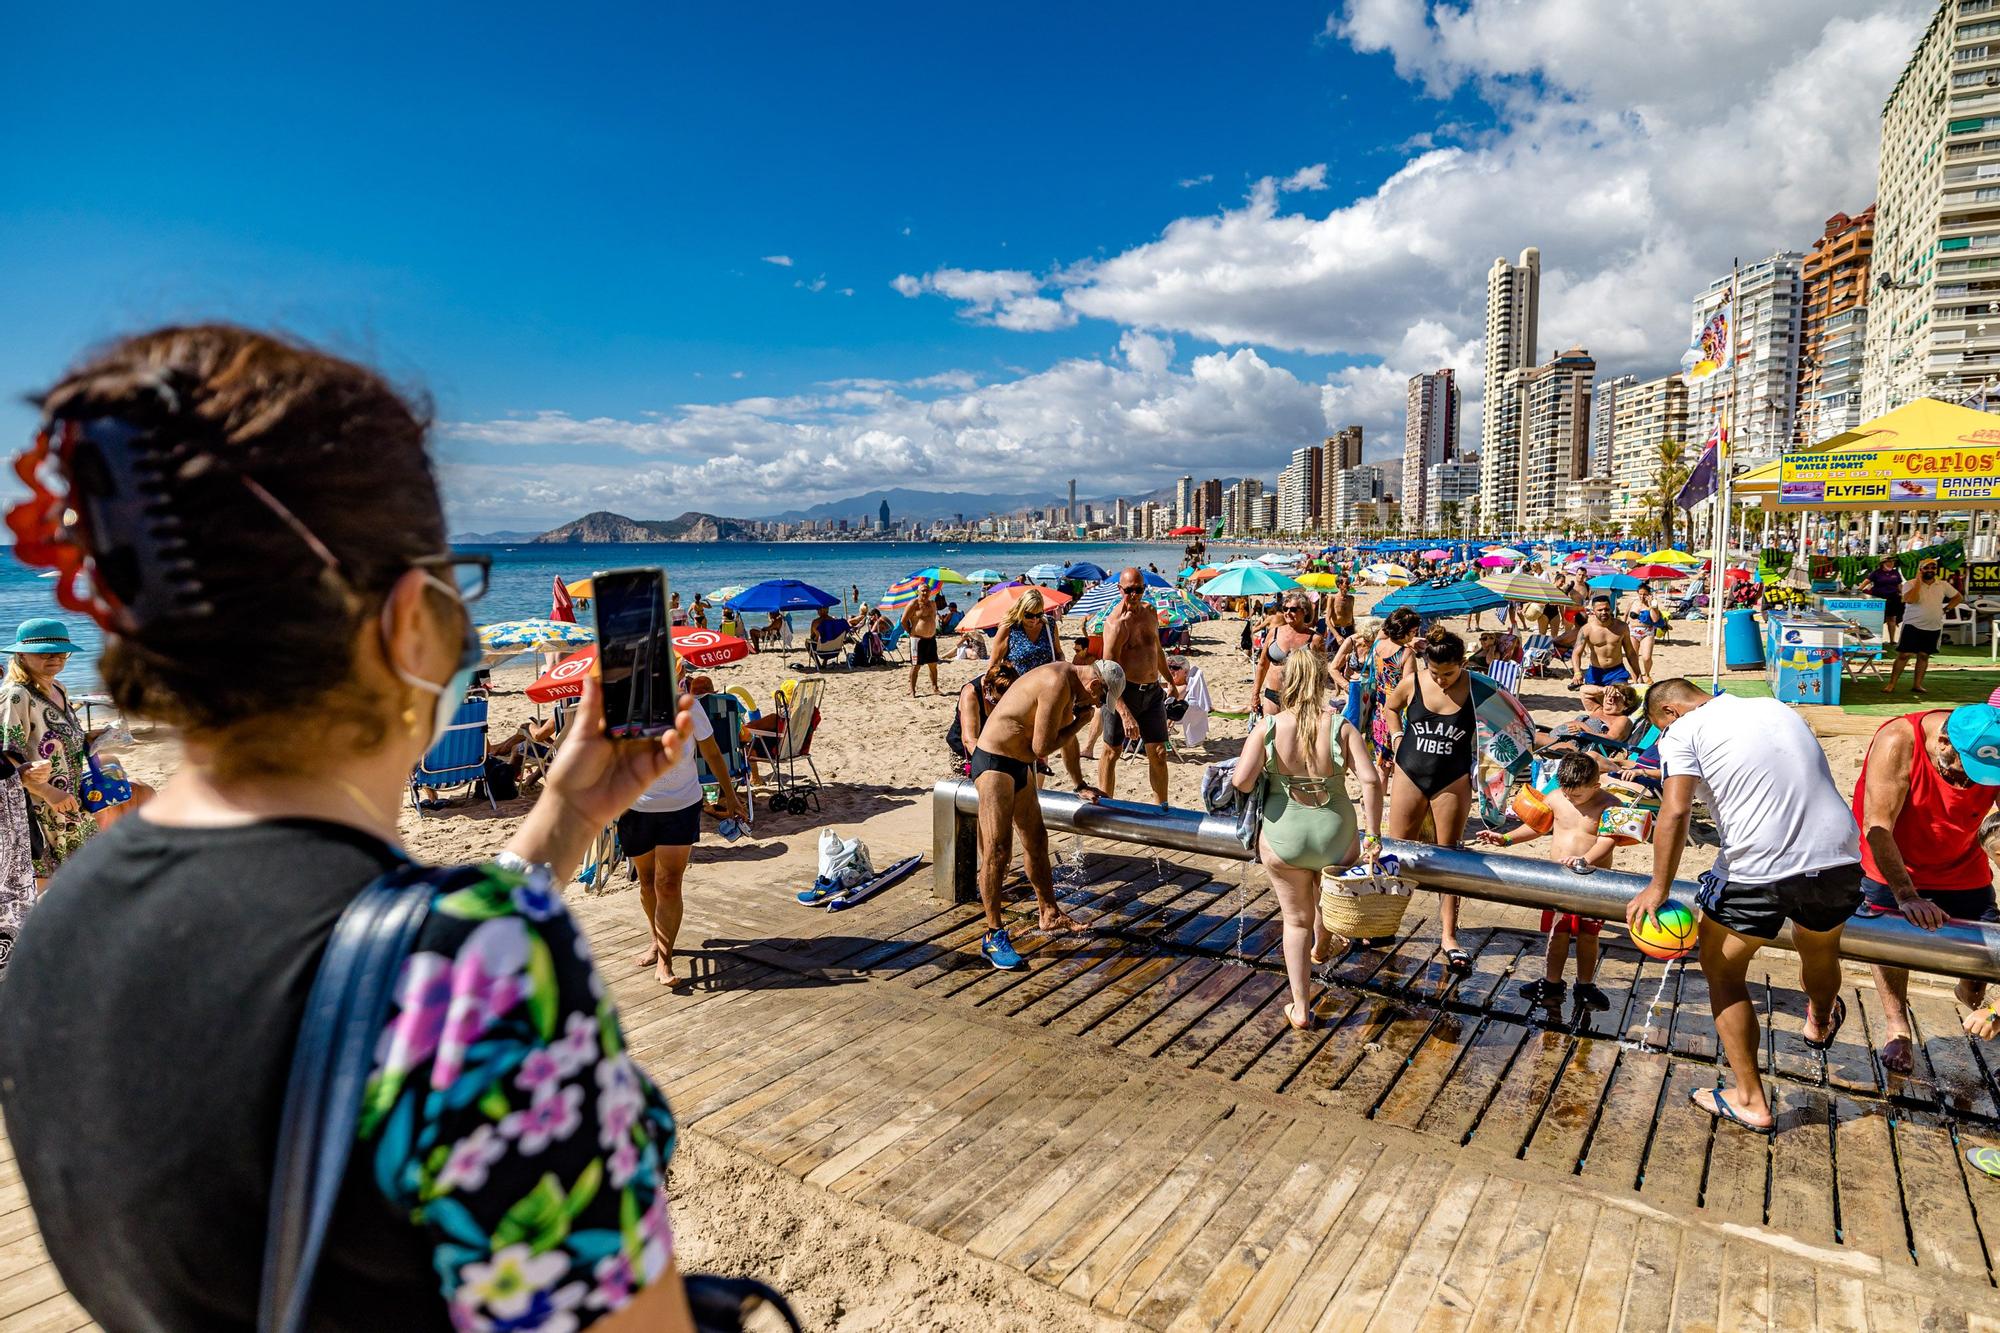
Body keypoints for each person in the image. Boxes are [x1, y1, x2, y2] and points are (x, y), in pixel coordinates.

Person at [0, 325, 701, 1329]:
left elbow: (355, 975)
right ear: (412, 619)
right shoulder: (475, 972)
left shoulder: (65, 927)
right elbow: (418, 991)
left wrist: (568, 811)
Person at [1627, 679, 1862, 1134]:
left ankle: (1750, 1100)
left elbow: (1674, 811)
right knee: (1819, 949)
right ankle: (1818, 1020)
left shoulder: (1681, 731)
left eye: (1658, 726)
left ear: (1670, 712)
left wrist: (1658, 887)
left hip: (1758, 869)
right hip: (1838, 856)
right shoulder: (1776, 707)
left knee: (1722, 971)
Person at [1231, 646, 1382, 1029]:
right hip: (1336, 832)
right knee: (1326, 902)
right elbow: (1370, 780)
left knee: (1294, 921)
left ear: (1285, 683)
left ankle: (1300, 1007)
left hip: (1286, 836)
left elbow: (1241, 781)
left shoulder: (1268, 728)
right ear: (1318, 682)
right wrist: (1375, 836)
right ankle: (1322, 945)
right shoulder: (1341, 727)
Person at [1850, 703, 2000, 1073]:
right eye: (1968, 773)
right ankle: (1897, 1026)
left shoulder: (1993, 743)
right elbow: (1877, 824)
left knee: (1987, 950)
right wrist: (1906, 894)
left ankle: (1971, 992)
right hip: (1894, 863)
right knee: (1889, 942)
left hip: (1962, 863)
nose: (1973, 785)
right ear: (1944, 743)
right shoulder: (1899, 741)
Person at [967, 659, 1120, 969]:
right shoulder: (1056, 682)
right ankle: (993, 935)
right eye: (1102, 699)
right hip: (995, 761)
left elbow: (1064, 742)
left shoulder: (1069, 684)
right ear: (1095, 686)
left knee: (1036, 840)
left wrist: (1080, 784)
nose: (1096, 705)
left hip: (1017, 764)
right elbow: (1042, 745)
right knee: (998, 850)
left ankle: (1048, 912)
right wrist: (1079, 722)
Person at [623, 686, 745, 990]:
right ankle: (656, 940)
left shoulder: (689, 706)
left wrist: (730, 795)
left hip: (681, 804)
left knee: (668, 882)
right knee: (647, 880)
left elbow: (712, 750)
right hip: (635, 806)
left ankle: (665, 960)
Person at [1477, 752, 1618, 1010]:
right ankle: (1552, 982)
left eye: (1576, 795)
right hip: (1559, 880)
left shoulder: (1609, 804)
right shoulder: (1556, 798)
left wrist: (1584, 859)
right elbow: (1538, 827)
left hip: (1594, 880)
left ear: (1595, 786)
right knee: (1557, 932)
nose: (1570, 798)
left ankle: (1585, 985)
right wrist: (1507, 839)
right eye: (1566, 792)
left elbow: (1608, 840)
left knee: (1589, 936)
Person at [1384, 627, 1479, 969]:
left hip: (1452, 778)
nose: (1440, 680)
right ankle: (1384, 921)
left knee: (1448, 858)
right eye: (1435, 673)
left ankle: (1449, 936)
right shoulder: (1413, 682)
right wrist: (1396, 737)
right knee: (1396, 850)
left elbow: (1509, 723)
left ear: (1463, 663)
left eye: (1449, 673)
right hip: (1410, 770)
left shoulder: (1477, 687)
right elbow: (1390, 706)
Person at [0, 619, 101, 882]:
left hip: (69, 799)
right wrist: (47, 791)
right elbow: (7, 754)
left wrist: (89, 737)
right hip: (40, 805)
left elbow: (56, 734)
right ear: (21, 655)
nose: (55, 658)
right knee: (50, 882)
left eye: (60, 651)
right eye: (44, 652)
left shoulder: (58, 688)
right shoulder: (16, 695)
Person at [1100, 568, 1174, 806]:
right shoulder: (1115, 624)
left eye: (1138, 590)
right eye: (1129, 590)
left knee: (1159, 753)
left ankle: (1161, 810)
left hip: (1152, 692)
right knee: (1112, 752)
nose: (1134, 595)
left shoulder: (1151, 612)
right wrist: (1124, 712)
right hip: (1123, 692)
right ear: (1119, 589)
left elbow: (1157, 650)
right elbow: (1106, 673)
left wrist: (1170, 681)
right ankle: (1104, 806)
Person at [1884, 558, 1963, 698]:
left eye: (1933, 568)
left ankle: (1917, 684)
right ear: (1920, 570)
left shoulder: (1942, 585)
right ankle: (1892, 684)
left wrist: (1947, 609)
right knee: (1904, 655)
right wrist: (1919, 583)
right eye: (1926, 568)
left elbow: (1958, 597)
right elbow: (1910, 599)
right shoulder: (1910, 584)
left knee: (1924, 655)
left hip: (1933, 626)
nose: (1930, 571)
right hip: (1912, 625)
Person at [1366, 608, 1421, 782]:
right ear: (1405, 630)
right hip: (1398, 713)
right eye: (1413, 631)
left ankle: (1379, 805)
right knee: (1400, 765)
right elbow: (1408, 688)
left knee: (1382, 764)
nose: (1414, 635)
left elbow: (1383, 631)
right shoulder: (1406, 654)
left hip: (1380, 712)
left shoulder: (1378, 645)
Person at [1250, 591, 1323, 717]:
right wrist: (1255, 694)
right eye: (1285, 609)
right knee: (1271, 734)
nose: (1288, 613)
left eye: (1293, 609)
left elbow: (1321, 674)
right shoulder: (1274, 633)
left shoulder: (1315, 639)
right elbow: (1262, 665)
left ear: (1304, 611)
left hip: (1300, 698)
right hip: (1272, 695)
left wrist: (1316, 699)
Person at [948, 661, 1019, 768]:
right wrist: (991, 763)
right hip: (967, 753)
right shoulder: (970, 693)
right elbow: (969, 740)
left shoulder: (1014, 690)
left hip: (995, 748)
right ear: (987, 687)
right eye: (995, 701)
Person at [1569, 594, 1645, 690]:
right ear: (1593, 611)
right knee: (1594, 702)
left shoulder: (1622, 627)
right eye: (1600, 610)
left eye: (1607, 609)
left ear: (1611, 609)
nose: (1604, 612)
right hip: (1595, 672)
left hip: (1617, 672)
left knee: (1616, 698)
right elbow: (1576, 653)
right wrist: (1577, 673)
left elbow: (1630, 653)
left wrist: (1638, 674)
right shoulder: (1586, 629)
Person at [903, 582, 942, 696]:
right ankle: (912, 690)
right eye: (923, 590)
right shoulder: (913, 604)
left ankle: (935, 687)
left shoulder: (933, 604)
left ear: (930, 592)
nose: (925, 592)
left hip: (931, 638)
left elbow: (933, 618)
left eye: (927, 590)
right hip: (917, 639)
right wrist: (910, 632)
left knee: (933, 664)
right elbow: (903, 620)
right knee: (916, 665)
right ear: (918, 592)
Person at [1859, 554, 1906, 643]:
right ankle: (1875, 640)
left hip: (1893, 598)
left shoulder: (1895, 573)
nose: (1891, 563)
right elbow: (1866, 582)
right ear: (1883, 563)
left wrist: (1903, 594)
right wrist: (1858, 590)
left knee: (1892, 619)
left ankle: (1892, 640)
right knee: (1877, 619)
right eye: (1889, 561)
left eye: (1892, 561)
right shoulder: (1876, 573)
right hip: (1878, 599)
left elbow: (1899, 585)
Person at [1629, 586, 1663, 680]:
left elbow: (1655, 619)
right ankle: (1636, 677)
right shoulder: (1633, 603)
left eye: (1645, 594)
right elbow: (1625, 616)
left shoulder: (1652, 604)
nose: (1642, 596)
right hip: (1632, 631)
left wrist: (1652, 606)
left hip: (1647, 631)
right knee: (1633, 657)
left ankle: (1647, 674)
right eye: (1640, 594)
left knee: (1646, 657)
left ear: (1649, 594)